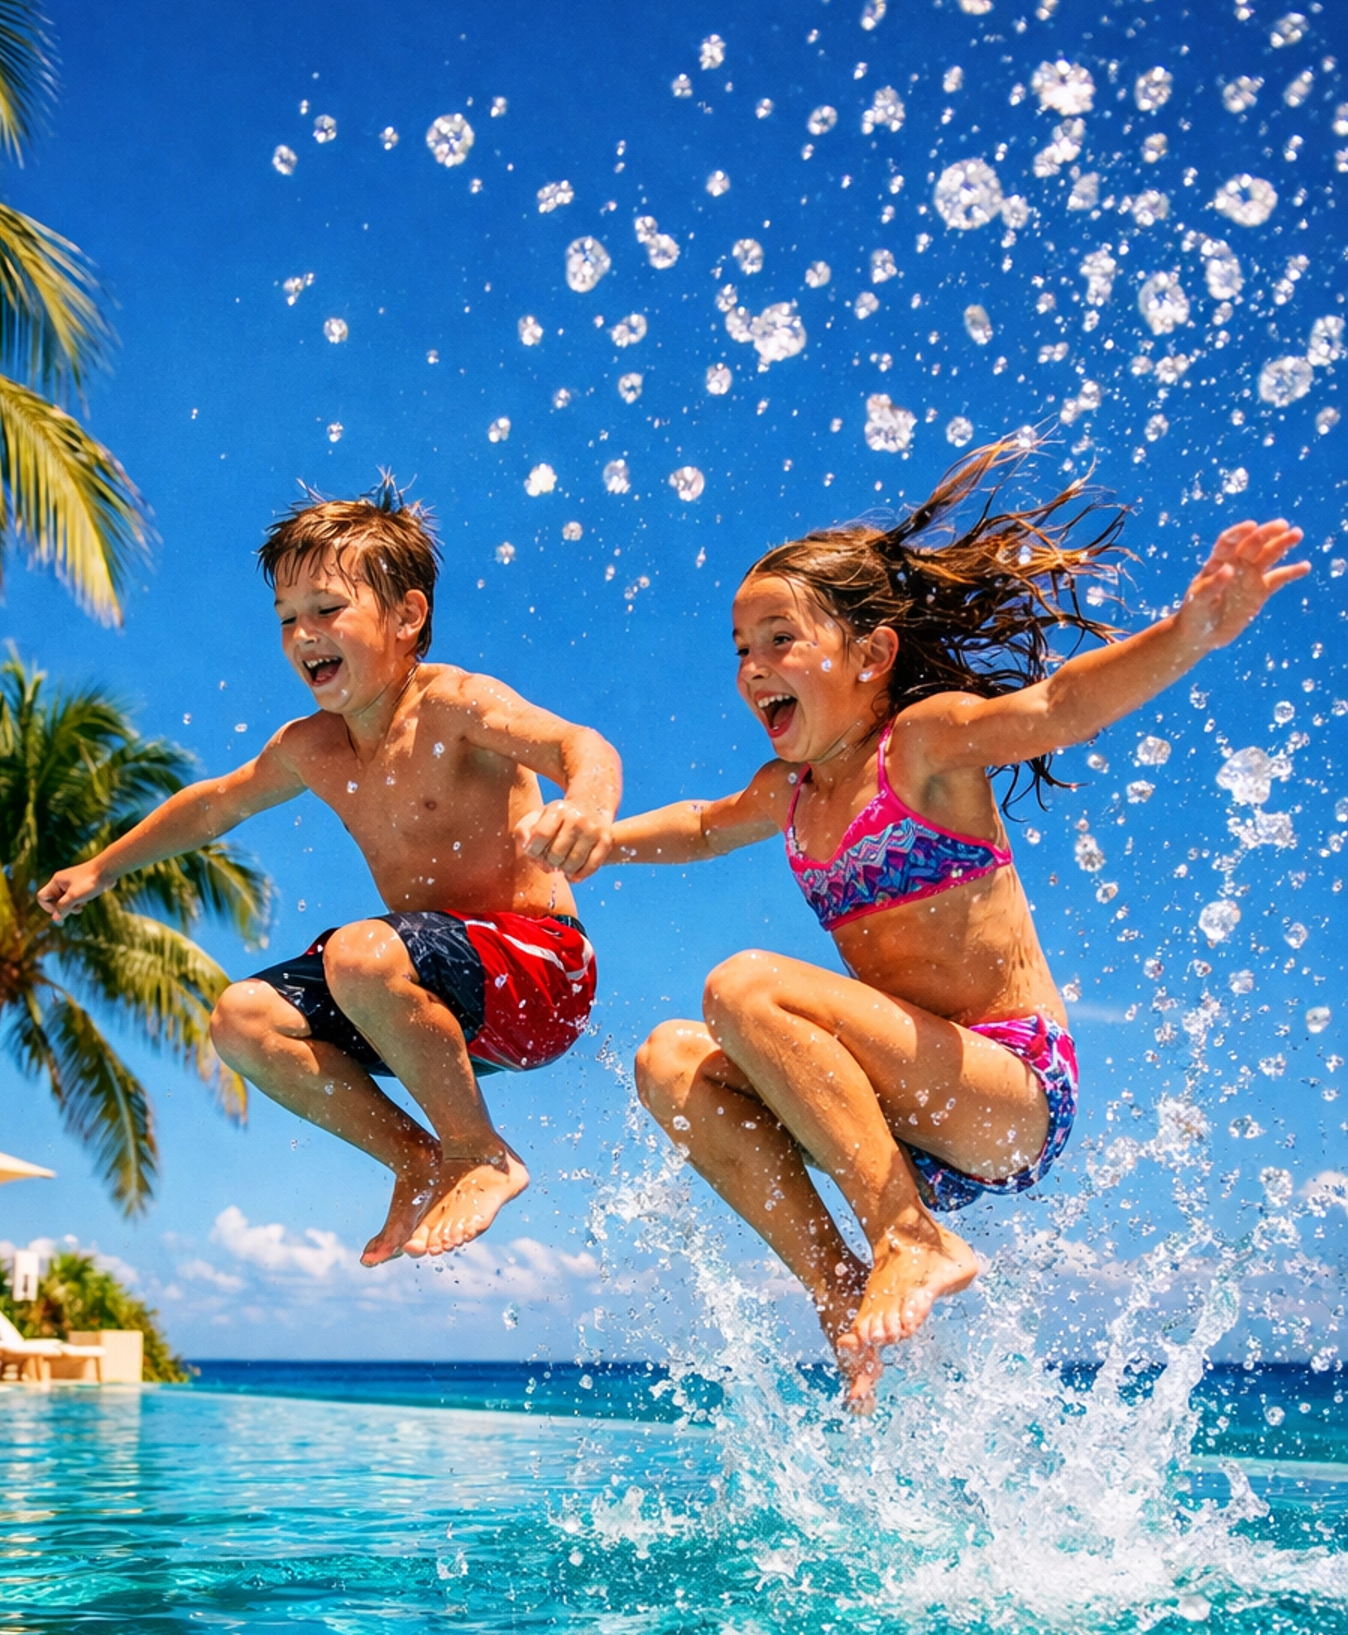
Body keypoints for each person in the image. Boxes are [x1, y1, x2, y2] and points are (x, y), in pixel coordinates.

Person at [555, 442, 1305, 1409]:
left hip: (1009, 1087)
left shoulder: (923, 744)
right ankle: (840, 1298)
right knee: (669, 1060)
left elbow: (1059, 704)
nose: (753, 669)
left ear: (871, 656)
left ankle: (908, 1238)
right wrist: (596, 843)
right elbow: (702, 825)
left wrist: (1192, 631)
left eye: (779, 639)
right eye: (741, 649)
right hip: (901, 1116)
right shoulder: (788, 791)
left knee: (743, 985)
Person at [39, 479, 620, 1263]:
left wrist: (585, 804)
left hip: (542, 975)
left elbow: (580, 745)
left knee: (359, 951)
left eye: (326, 610)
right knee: (242, 1019)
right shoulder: (310, 748)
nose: (303, 634)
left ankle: (480, 1153)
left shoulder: (456, 706)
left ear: (408, 617)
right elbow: (215, 806)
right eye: (286, 620)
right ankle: (417, 1158)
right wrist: (103, 868)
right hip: (428, 1006)